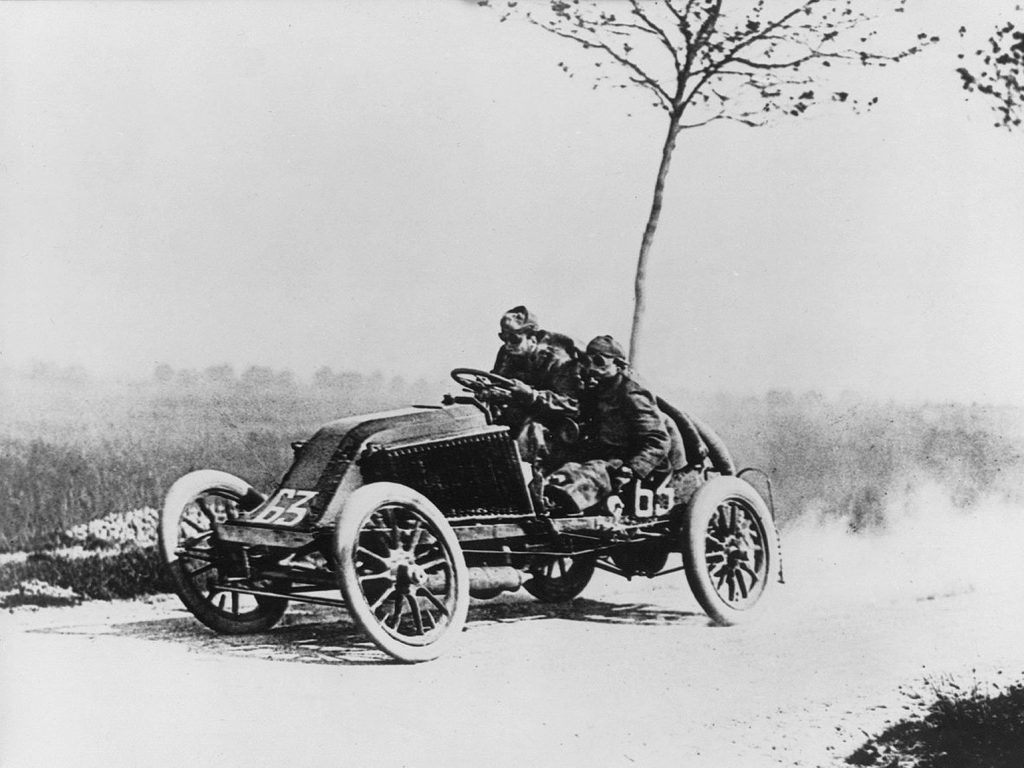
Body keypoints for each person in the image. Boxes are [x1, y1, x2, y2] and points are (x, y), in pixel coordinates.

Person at [542, 335, 697, 516]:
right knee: (565, 466)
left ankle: (562, 505)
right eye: (587, 360)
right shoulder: (597, 388)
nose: (591, 367)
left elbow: (658, 440)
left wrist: (632, 468)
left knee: (593, 472)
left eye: (599, 361)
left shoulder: (631, 392)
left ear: (618, 364)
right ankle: (547, 498)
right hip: (607, 456)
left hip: (635, 463)